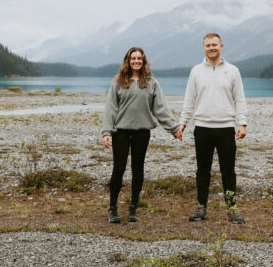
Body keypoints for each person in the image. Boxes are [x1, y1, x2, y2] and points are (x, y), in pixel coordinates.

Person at [101, 47, 181, 224]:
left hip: (142, 132)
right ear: (128, 61)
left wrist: (174, 128)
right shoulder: (118, 82)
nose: (136, 61)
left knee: (138, 168)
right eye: (133, 58)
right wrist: (106, 132)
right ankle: (112, 208)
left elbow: (160, 109)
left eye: (139, 58)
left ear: (144, 61)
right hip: (120, 131)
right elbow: (111, 109)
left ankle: (133, 208)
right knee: (119, 168)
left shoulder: (151, 82)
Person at [177, 32, 248, 223]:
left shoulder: (233, 71)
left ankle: (231, 209)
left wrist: (242, 123)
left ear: (221, 46)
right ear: (204, 48)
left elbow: (239, 99)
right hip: (202, 128)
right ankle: (201, 208)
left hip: (226, 128)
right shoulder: (196, 71)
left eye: (214, 45)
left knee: (228, 170)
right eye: (208, 45)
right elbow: (189, 99)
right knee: (203, 169)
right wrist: (182, 123)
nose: (211, 48)